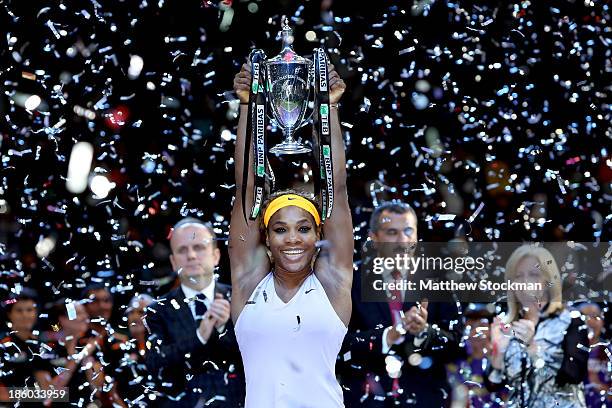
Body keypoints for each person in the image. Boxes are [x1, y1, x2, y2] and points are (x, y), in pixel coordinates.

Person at [230, 62, 353, 407]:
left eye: (303, 228)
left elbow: (337, 189)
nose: (293, 239)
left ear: (318, 236)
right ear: (266, 238)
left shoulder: (332, 284)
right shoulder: (248, 283)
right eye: (280, 229)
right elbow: (247, 186)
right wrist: (247, 106)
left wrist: (328, 108)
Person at [340, 201, 464, 407]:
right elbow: (337, 345)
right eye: (392, 232)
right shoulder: (351, 281)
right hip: (367, 401)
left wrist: (425, 332)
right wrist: (387, 336)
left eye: (408, 231)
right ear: (374, 239)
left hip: (425, 400)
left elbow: (458, 345)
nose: (402, 240)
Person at [144, 217, 244, 407]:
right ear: (173, 262)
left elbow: (257, 356)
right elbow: (155, 364)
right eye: (182, 250)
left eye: (198, 247)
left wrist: (224, 329)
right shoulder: (157, 311)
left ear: (216, 256)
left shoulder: (242, 298)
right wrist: (198, 337)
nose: (191, 255)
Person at [487, 244, 589, 407]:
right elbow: (492, 386)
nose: (525, 282)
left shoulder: (571, 320)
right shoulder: (505, 324)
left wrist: (533, 348)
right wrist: (498, 353)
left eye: (534, 275)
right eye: (518, 276)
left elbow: (573, 375)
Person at [42, 299, 126, 407]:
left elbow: (100, 389)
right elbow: (48, 394)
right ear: (63, 319)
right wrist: (78, 358)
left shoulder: (92, 348)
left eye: (84, 313)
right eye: (78, 314)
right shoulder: (50, 350)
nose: (85, 317)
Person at [0, 288, 53, 398]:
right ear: (9, 314)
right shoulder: (3, 346)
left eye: (29, 310)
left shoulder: (45, 345)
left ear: (36, 313)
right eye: (19, 310)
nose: (25, 315)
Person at [578, 302, 611, 408]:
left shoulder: (609, 351)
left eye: (596, 316)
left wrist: (597, 383)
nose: (590, 321)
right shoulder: (565, 353)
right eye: (585, 317)